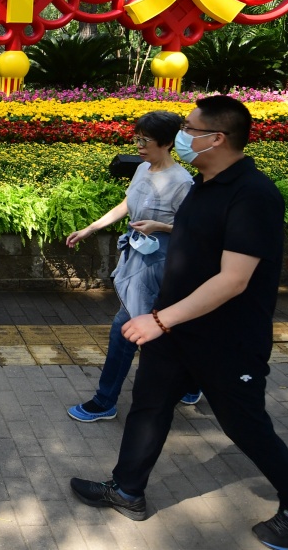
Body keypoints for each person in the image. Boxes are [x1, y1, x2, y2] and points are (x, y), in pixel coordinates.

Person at [70, 96, 288, 550]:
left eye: (189, 128)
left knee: (244, 424)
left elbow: (233, 279)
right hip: (176, 329)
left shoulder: (253, 195)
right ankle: (127, 489)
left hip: (227, 338)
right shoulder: (202, 184)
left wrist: (158, 319)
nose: (181, 136)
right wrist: (162, 316)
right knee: (149, 404)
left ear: (217, 138)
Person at [64, 110, 198, 422]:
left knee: (125, 329)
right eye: (136, 139)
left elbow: (193, 229)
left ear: (166, 143)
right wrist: (91, 228)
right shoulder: (142, 169)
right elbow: (127, 204)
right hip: (137, 254)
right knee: (166, 326)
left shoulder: (182, 181)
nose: (138, 146)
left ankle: (104, 401)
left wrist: (159, 226)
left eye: (145, 141)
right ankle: (191, 384)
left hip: (160, 262)